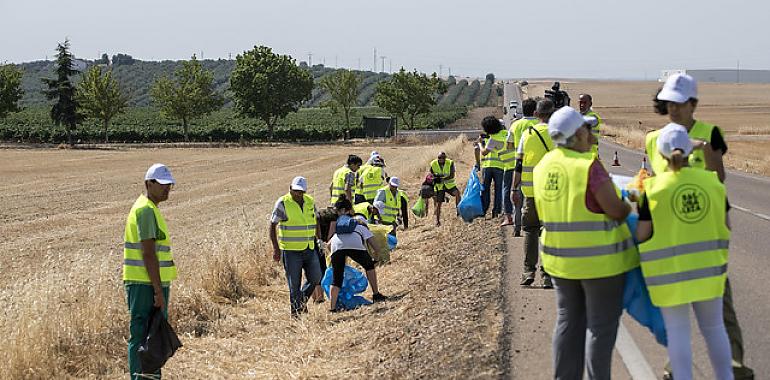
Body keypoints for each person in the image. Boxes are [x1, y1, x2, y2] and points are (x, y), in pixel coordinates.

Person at [648, 73, 752, 380]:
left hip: (705, 227)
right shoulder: (655, 139)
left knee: (720, 306)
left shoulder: (711, 134)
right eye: (669, 104)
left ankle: (734, 366)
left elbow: (718, 179)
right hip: (673, 233)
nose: (674, 110)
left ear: (694, 104)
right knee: (676, 310)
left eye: (680, 104)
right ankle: (674, 368)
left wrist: (703, 149)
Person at [534, 107, 638, 379]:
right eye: (588, 129)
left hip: (558, 263)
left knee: (567, 322)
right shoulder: (587, 166)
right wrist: (629, 204)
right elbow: (615, 209)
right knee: (600, 329)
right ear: (578, 134)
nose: (591, 134)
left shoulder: (544, 165)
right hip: (599, 264)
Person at [636, 124, 733, 380]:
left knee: (678, 332)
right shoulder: (712, 183)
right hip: (710, 271)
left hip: (670, 275)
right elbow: (726, 225)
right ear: (690, 151)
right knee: (714, 329)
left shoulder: (653, 189)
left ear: (661, 154)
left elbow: (642, 234)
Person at [123, 163, 177, 380]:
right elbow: (148, 253)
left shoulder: (149, 208)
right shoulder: (145, 210)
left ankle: (149, 376)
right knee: (144, 335)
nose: (167, 189)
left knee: (152, 335)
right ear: (148, 184)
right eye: (162, 184)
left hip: (148, 283)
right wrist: (157, 290)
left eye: (169, 185)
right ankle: (141, 377)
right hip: (145, 284)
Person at [513, 99, 556, 287]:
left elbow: (519, 165)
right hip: (552, 193)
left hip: (530, 192)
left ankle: (528, 271)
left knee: (530, 231)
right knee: (549, 232)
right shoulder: (559, 135)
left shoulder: (527, 134)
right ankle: (547, 276)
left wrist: (514, 189)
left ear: (537, 114)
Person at [269, 176, 324, 317]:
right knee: (294, 284)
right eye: (295, 190)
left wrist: (320, 240)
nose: (298, 193)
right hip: (290, 250)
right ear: (290, 188)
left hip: (309, 247)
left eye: (301, 191)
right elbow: (272, 225)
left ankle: (300, 302)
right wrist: (276, 248)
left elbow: (316, 220)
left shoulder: (310, 201)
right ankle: (296, 314)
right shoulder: (283, 203)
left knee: (316, 277)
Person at [326, 196, 388, 311]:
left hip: (336, 244)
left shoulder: (337, 227)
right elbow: (375, 246)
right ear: (350, 210)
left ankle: (332, 308)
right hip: (355, 245)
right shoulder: (359, 225)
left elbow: (329, 245)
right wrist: (376, 257)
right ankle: (376, 294)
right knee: (369, 266)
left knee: (336, 279)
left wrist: (338, 258)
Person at [502, 98, 538, 234]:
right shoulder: (540, 124)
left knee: (517, 198)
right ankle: (536, 227)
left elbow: (509, 145)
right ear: (535, 111)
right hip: (536, 166)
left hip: (518, 165)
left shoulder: (515, 125)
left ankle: (517, 228)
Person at [479, 115, 508, 218]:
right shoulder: (506, 135)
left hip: (488, 166)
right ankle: (496, 212)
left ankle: (483, 211)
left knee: (485, 189)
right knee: (499, 190)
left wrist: (480, 144)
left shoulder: (492, 137)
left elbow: (484, 152)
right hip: (500, 166)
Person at [429, 151, 461, 226]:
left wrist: (441, 178)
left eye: (443, 158)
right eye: (439, 158)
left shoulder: (450, 163)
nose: (441, 159)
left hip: (449, 185)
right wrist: (435, 177)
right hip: (439, 186)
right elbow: (431, 175)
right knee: (438, 203)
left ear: (445, 158)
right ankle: (437, 221)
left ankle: (459, 212)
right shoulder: (433, 164)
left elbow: (452, 175)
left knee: (457, 194)